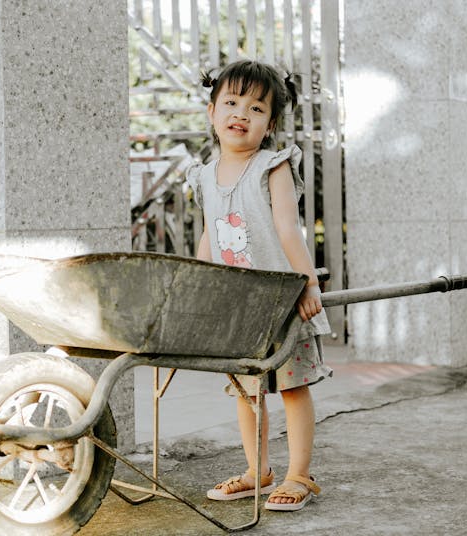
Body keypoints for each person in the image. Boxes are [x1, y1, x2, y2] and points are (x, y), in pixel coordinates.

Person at [185, 59, 332, 511]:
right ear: (211, 112)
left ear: (269, 125)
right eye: (230, 102)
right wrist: (195, 286)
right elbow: (210, 236)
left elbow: (289, 230)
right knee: (248, 393)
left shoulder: (274, 166)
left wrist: (307, 284)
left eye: (255, 108)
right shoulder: (205, 175)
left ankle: (299, 475)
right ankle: (258, 471)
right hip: (239, 308)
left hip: (284, 302)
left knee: (291, 387)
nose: (240, 114)